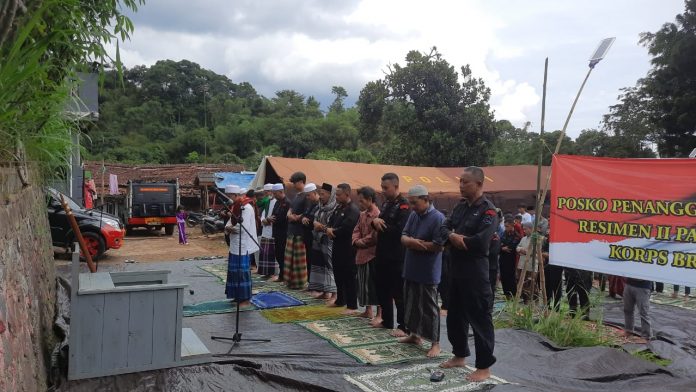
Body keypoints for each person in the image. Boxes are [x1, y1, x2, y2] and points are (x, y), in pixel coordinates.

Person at [440, 166, 497, 382]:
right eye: (460, 181)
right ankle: (459, 354)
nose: (461, 185)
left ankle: (484, 367)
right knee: (455, 316)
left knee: (480, 318)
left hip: (476, 273)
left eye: (466, 182)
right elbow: (444, 228)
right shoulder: (460, 207)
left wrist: (457, 239)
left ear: (479, 184)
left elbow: (481, 244)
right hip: (455, 270)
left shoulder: (488, 211)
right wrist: (455, 238)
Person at [399, 185, 446, 358]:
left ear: (426, 199)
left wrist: (416, 243)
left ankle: (435, 343)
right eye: (410, 203)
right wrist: (411, 242)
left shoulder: (438, 218)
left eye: (415, 203)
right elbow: (403, 235)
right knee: (411, 302)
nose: (412, 206)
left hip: (428, 270)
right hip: (411, 266)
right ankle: (414, 335)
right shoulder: (414, 215)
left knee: (429, 307)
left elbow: (439, 245)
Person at [371, 173, 411, 335]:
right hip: (382, 253)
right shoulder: (387, 204)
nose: (383, 191)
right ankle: (387, 321)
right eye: (382, 187)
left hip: (397, 256)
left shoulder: (404, 206)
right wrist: (375, 222)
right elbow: (378, 222)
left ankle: (403, 326)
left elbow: (400, 231)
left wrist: (381, 224)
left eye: (385, 188)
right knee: (382, 289)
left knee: (399, 292)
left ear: (395, 186)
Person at [327, 183, 360, 313]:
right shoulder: (338, 208)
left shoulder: (353, 210)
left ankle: (352, 305)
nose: (336, 197)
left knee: (349, 276)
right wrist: (329, 229)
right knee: (338, 274)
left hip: (348, 248)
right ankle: (340, 300)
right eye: (336, 194)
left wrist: (332, 231)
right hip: (337, 245)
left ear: (347, 194)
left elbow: (347, 228)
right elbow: (331, 221)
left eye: (339, 194)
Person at [223, 185, 259, 307]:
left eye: (230, 196)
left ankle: (245, 298)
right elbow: (230, 221)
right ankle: (236, 295)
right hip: (234, 244)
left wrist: (230, 228)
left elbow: (243, 228)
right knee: (234, 271)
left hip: (243, 245)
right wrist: (227, 228)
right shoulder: (236, 206)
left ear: (235, 195)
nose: (229, 198)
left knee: (242, 273)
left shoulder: (247, 208)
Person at [352, 186, 381, 320]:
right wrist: (356, 240)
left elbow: (375, 236)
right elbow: (356, 229)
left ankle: (380, 314)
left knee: (375, 285)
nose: (360, 203)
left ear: (370, 199)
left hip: (372, 254)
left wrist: (361, 242)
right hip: (361, 254)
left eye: (362, 201)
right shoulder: (362, 214)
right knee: (363, 284)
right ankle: (368, 310)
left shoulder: (378, 215)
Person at [307, 183, 338, 301]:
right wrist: (315, 223)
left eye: (323, 194)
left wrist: (322, 227)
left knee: (330, 267)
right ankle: (324, 291)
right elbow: (315, 218)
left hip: (328, 240)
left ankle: (334, 294)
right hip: (317, 239)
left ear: (330, 195)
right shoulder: (320, 206)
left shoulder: (335, 207)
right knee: (319, 265)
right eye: (320, 194)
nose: (321, 196)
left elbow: (334, 225)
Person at [285, 172, 311, 289]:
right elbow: (290, 209)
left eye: (295, 183)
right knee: (291, 258)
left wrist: (296, 217)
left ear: (301, 182)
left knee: (298, 260)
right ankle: (292, 281)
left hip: (300, 232)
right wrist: (289, 214)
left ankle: (300, 282)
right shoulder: (296, 195)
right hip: (292, 231)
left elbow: (307, 212)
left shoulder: (307, 196)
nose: (294, 185)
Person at [270, 184, 290, 281]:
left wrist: (273, 219)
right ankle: (281, 275)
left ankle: (284, 276)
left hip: (284, 233)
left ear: (281, 192)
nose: (274, 196)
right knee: (278, 254)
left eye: (275, 194)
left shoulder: (287, 203)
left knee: (283, 255)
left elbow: (283, 218)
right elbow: (273, 214)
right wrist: (271, 218)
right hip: (276, 232)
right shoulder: (277, 202)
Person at [258, 185, 278, 278]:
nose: (267, 194)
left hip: (272, 229)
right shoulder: (267, 202)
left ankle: (272, 273)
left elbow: (275, 215)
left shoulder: (276, 202)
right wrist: (263, 220)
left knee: (271, 253)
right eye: (265, 192)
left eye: (268, 192)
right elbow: (262, 214)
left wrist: (268, 220)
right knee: (264, 252)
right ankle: (265, 272)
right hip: (265, 228)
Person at [623, 278, 652, 342]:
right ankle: (628, 330)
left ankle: (646, 336)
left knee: (644, 312)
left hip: (643, 286)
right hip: (629, 283)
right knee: (627, 309)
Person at [516, 222, 538, 304]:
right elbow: (517, 247)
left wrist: (524, 251)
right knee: (522, 282)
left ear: (531, 228)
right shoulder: (523, 238)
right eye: (523, 229)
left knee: (531, 283)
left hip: (531, 266)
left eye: (525, 229)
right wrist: (521, 250)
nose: (524, 231)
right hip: (522, 264)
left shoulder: (536, 238)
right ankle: (525, 300)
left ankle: (533, 301)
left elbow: (532, 251)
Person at [499, 218, 520, 299]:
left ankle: (513, 295)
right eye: (505, 226)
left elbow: (511, 247)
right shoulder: (504, 233)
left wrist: (503, 246)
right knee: (503, 276)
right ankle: (506, 294)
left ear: (512, 226)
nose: (506, 228)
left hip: (512, 259)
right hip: (503, 258)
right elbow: (499, 243)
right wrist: (502, 248)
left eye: (507, 226)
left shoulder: (516, 235)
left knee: (511, 277)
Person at [542, 232, 563, 310]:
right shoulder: (547, 239)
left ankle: (557, 306)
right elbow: (543, 250)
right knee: (547, 285)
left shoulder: (560, 241)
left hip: (557, 266)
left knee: (556, 286)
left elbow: (560, 254)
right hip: (547, 265)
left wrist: (548, 255)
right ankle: (547, 304)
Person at [488, 227, 501, 307]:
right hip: (484, 266)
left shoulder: (495, 238)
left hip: (491, 266)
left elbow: (493, 252)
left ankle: (489, 305)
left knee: (490, 288)